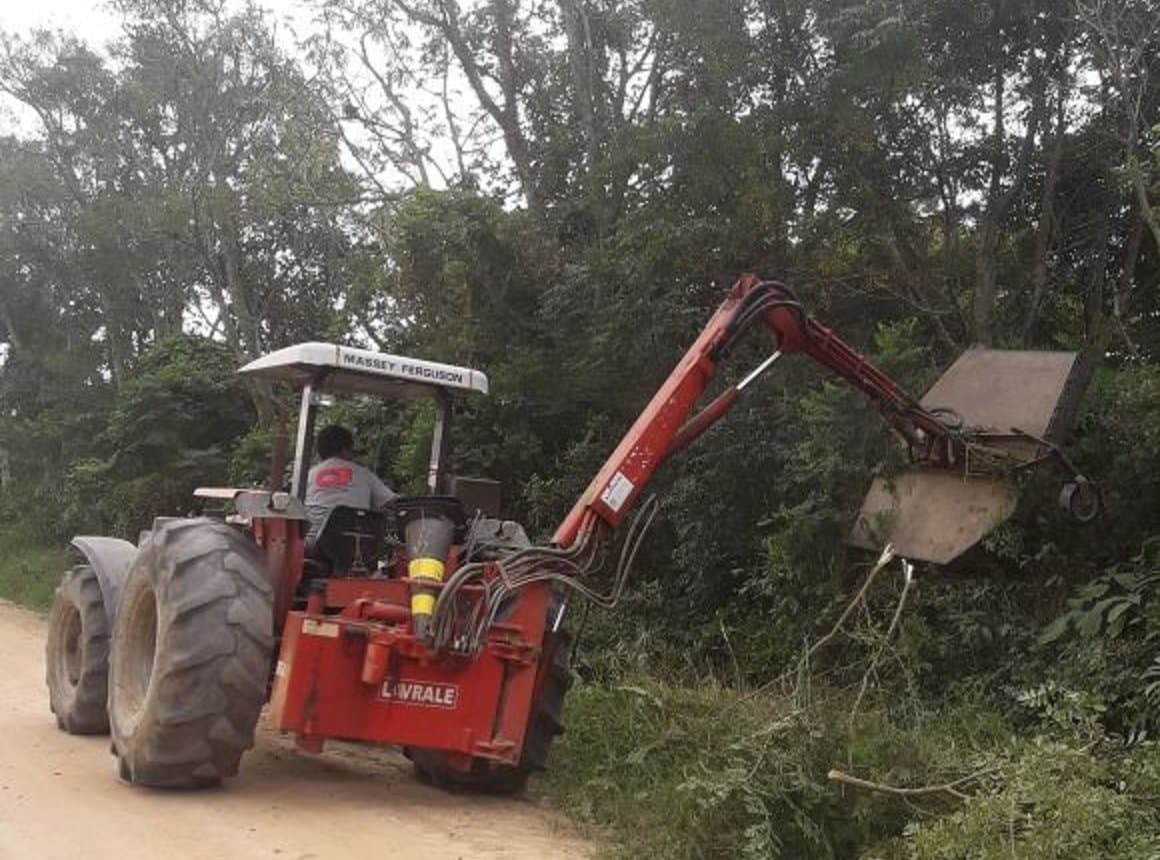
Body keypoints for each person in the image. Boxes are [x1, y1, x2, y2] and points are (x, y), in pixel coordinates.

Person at [304, 425, 397, 543]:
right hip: (354, 545)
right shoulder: (363, 474)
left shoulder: (308, 475)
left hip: (313, 544)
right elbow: (394, 503)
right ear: (345, 450)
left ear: (320, 451)